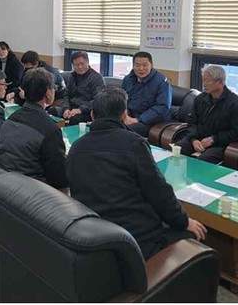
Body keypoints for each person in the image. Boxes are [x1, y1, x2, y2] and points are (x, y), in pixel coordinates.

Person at [66, 87, 207, 259]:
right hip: (136, 238)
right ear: (124, 115)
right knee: (194, 233)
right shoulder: (134, 144)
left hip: (91, 232)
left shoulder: (76, 148)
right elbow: (158, 192)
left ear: (92, 115)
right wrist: (184, 221)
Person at [0, 68, 68, 189]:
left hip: (4, 183)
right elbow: (59, 178)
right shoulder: (49, 129)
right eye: (53, 88)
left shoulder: (10, 118)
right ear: (48, 93)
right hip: (32, 190)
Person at [178, 65, 238, 164]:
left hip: (220, 144)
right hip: (198, 139)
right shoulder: (200, 99)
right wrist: (193, 139)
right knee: (177, 150)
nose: (204, 84)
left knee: (202, 161)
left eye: (208, 81)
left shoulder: (236, 104)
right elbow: (191, 122)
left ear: (220, 82)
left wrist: (214, 139)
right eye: (203, 80)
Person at [121, 51, 172, 137]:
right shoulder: (128, 79)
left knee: (123, 131)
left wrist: (138, 119)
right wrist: (124, 115)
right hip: (130, 116)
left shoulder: (162, 82)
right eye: (137, 65)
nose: (141, 69)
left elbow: (162, 107)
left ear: (151, 65)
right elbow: (122, 99)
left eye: (145, 65)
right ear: (133, 66)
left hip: (151, 121)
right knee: (109, 125)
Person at [55, 51, 105, 125]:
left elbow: (98, 100)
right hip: (71, 109)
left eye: (82, 64)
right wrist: (66, 108)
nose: (80, 67)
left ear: (88, 62)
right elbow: (66, 95)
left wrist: (80, 110)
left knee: (74, 119)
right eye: (76, 65)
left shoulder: (97, 78)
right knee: (53, 111)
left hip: (87, 111)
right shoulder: (72, 76)